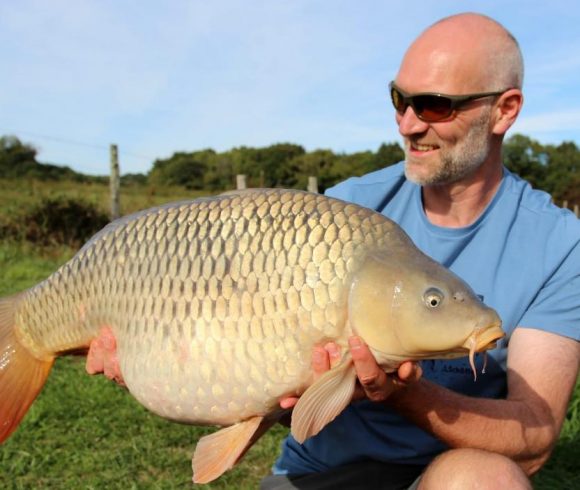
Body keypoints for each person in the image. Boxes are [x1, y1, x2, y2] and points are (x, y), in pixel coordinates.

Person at [87, 12, 580, 489]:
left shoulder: (558, 244)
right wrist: (162, 359)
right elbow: (261, 373)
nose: (407, 124)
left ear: (505, 109)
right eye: (399, 99)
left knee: (485, 481)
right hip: (322, 471)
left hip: (453, 471)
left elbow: (534, 440)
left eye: (433, 105)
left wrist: (402, 394)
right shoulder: (345, 213)